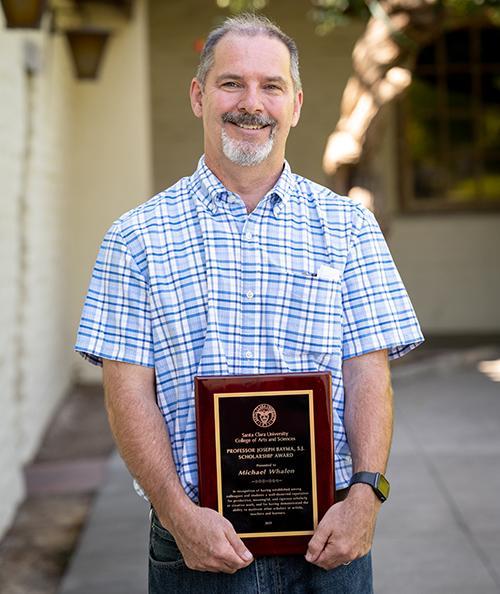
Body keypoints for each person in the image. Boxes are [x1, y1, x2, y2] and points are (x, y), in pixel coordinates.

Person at [75, 13, 423, 593]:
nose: (251, 103)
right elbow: (128, 389)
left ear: (297, 103)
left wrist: (367, 495)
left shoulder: (349, 228)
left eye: (271, 86)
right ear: (198, 95)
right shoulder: (135, 238)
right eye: (231, 83)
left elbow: (368, 374)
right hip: (194, 540)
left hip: (330, 539)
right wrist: (174, 512)